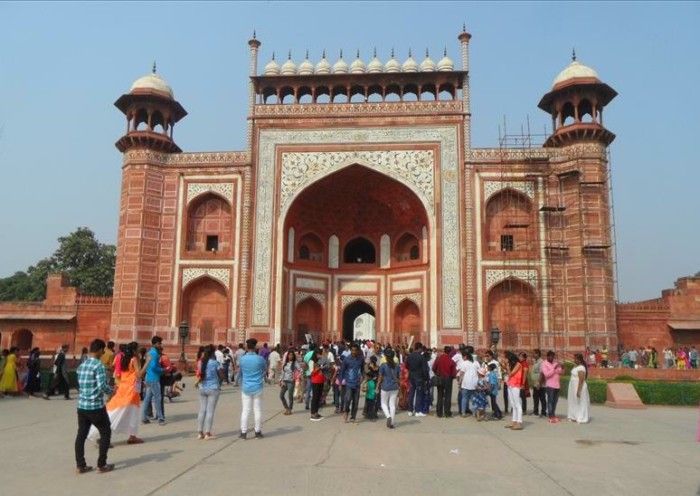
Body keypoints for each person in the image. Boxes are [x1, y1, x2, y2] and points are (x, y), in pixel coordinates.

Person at [89, 341, 144, 445]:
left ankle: (132, 436)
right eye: (138, 348)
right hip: (131, 389)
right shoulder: (134, 359)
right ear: (134, 350)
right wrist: (148, 362)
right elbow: (139, 375)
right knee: (122, 413)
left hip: (123, 388)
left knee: (126, 412)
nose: (139, 349)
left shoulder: (124, 358)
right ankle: (104, 435)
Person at [74, 339, 114, 474]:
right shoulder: (99, 366)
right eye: (103, 350)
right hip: (95, 406)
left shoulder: (82, 365)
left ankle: (81, 465)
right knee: (106, 432)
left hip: (82, 406)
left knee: (81, 435)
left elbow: (80, 384)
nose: (104, 352)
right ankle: (101, 464)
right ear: (99, 350)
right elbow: (102, 386)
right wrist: (112, 391)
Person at [238, 338, 267, 439]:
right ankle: (257, 431)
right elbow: (264, 370)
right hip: (257, 387)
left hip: (246, 387)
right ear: (255, 347)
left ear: (247, 347)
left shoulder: (242, 359)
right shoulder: (260, 359)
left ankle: (243, 432)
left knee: (245, 410)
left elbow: (240, 372)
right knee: (257, 410)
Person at [196, 344, 224, 439]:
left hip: (202, 387)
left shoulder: (200, 362)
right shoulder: (215, 363)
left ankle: (200, 432)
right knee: (210, 411)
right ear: (213, 352)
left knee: (202, 410)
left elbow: (199, 374)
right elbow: (221, 376)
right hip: (213, 388)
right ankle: (207, 433)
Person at [141, 336, 166, 425]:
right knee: (158, 399)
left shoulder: (149, 352)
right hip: (154, 378)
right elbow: (154, 367)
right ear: (155, 344)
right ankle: (160, 418)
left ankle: (144, 417)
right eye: (159, 343)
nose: (160, 345)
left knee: (147, 398)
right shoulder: (155, 354)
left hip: (148, 377)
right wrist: (163, 370)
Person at [339, 343, 364, 423]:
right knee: (348, 399)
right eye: (352, 350)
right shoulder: (346, 359)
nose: (353, 352)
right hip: (349, 383)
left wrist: (362, 376)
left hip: (357, 383)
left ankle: (353, 416)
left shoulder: (361, 359)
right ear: (350, 350)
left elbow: (363, 369)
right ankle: (346, 411)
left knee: (356, 401)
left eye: (355, 350)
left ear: (358, 351)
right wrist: (340, 383)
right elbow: (342, 371)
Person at [432, 346, 457, 418]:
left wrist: (437, 373)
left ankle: (439, 413)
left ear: (444, 351)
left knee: (440, 395)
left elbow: (433, 368)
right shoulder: (451, 361)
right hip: (448, 379)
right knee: (448, 396)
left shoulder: (438, 358)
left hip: (440, 377)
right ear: (450, 352)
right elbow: (453, 373)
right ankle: (447, 413)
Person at [378, 348, 400, 429]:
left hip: (385, 386)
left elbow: (380, 377)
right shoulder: (397, 366)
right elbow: (398, 377)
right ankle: (392, 423)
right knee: (392, 405)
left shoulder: (383, 365)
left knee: (383, 403)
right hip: (394, 386)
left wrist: (377, 386)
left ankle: (388, 416)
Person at [541, 350, 563, 423]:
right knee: (550, 401)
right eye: (550, 356)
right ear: (547, 356)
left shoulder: (555, 363)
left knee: (555, 401)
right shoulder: (544, 364)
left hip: (557, 385)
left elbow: (560, 372)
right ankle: (550, 416)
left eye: (553, 357)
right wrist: (554, 368)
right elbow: (547, 374)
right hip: (550, 385)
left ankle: (553, 414)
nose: (552, 358)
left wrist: (562, 367)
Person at [406, 342, 427, 417]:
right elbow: (425, 369)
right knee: (419, 394)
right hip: (419, 377)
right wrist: (426, 378)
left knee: (411, 393)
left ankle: (410, 410)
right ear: (420, 348)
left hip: (411, 376)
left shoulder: (409, 356)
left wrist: (411, 371)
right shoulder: (421, 357)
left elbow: (406, 365)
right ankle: (417, 410)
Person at [567, 353, 590, 423]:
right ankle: (574, 415)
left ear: (579, 360)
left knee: (580, 402)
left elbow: (581, 380)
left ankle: (581, 416)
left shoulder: (581, 368)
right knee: (574, 401)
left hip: (579, 387)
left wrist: (579, 390)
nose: (574, 360)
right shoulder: (576, 366)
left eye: (575, 359)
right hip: (573, 387)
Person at [504, 352, 524, 430]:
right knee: (513, 404)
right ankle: (514, 421)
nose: (505, 359)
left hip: (516, 385)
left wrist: (507, 366)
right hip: (510, 384)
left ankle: (519, 422)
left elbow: (511, 374)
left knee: (517, 404)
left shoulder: (518, 364)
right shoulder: (512, 364)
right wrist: (506, 366)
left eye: (506, 358)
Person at [457, 351, 479, 418]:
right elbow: (479, 372)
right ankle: (474, 412)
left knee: (464, 398)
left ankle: (463, 413)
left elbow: (461, 374)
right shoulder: (476, 363)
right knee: (473, 399)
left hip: (466, 382)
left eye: (463, 357)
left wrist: (459, 383)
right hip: (474, 382)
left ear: (465, 357)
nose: (463, 358)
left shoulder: (464, 363)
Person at [280, 349, 299, 415]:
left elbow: (300, 370)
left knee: (290, 396)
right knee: (281, 395)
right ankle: (286, 408)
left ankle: (290, 409)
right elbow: (283, 372)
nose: (290, 356)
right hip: (285, 381)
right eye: (289, 355)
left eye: (291, 355)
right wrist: (281, 380)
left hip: (291, 382)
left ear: (293, 356)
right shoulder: (286, 363)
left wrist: (296, 377)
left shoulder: (295, 363)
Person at [309, 349, 325, 421]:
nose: (320, 356)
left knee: (319, 397)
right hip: (315, 381)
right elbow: (311, 372)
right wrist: (318, 369)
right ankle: (313, 413)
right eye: (318, 354)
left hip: (321, 380)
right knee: (315, 397)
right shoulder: (311, 361)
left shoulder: (319, 361)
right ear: (316, 354)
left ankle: (316, 412)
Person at [530, 349, 546, 417]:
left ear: (538, 354)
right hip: (535, 383)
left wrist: (539, 383)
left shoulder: (541, 362)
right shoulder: (535, 361)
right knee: (535, 397)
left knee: (542, 398)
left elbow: (542, 373)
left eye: (534, 353)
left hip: (540, 384)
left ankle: (543, 412)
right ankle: (535, 411)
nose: (533, 355)